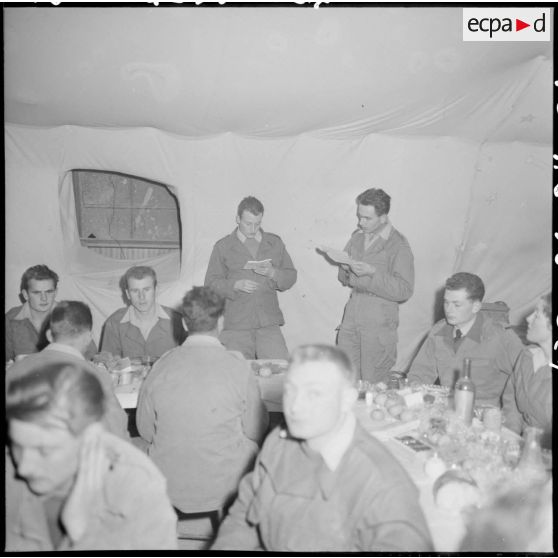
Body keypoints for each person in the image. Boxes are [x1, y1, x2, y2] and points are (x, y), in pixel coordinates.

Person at [212, 344, 433, 552]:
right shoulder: (279, 442)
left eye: (313, 394)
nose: (296, 406)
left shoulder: (381, 483)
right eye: (290, 391)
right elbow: (244, 514)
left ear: (347, 399)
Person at [5, 362, 178, 550]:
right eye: (17, 446)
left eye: (43, 451)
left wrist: (82, 532)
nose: (23, 467)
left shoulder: (137, 486)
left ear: (91, 437)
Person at [136, 286, 269, 514]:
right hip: (223, 488)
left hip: (167, 484)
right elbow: (255, 430)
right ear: (221, 322)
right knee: (257, 445)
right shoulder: (237, 366)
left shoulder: (162, 364)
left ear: (185, 324)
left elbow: (145, 430)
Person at [6, 300, 128, 440]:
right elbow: (118, 434)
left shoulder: (14, 371)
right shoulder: (96, 376)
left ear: (49, 336)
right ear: (88, 338)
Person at [407, 272, 524, 408]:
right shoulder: (439, 331)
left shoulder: (500, 337)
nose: (448, 310)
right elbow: (421, 372)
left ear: (476, 307)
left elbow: (524, 380)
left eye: (457, 305)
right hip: (446, 410)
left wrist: (508, 419)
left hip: (482, 416)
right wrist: (414, 390)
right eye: (446, 302)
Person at [335, 188, 414, 384]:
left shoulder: (398, 245)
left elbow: (404, 290)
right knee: (345, 379)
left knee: (372, 385)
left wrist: (373, 273)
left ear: (383, 217)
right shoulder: (357, 237)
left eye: (367, 218)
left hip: (379, 321)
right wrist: (345, 268)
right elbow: (344, 278)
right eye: (359, 217)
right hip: (352, 315)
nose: (360, 223)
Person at [204, 196, 297, 359]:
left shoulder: (274, 243)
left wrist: (273, 273)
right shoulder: (223, 247)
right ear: (238, 219)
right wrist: (235, 285)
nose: (253, 229)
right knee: (235, 374)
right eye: (248, 223)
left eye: (257, 223)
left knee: (280, 371)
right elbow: (211, 284)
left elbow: (291, 276)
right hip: (236, 325)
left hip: (268, 323)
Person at [100, 265, 186, 359]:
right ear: (128, 294)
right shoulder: (114, 323)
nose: (141, 297)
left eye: (146, 290)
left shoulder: (178, 321)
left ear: (156, 290)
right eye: (135, 291)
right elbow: (106, 367)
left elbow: (188, 362)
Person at [504, 293, 552, 437]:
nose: (528, 318)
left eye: (537, 315)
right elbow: (511, 401)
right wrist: (510, 434)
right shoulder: (527, 356)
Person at [5, 264, 59, 361]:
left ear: (55, 292)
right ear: (25, 295)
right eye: (37, 293)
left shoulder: (71, 315)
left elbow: (91, 357)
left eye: (49, 292)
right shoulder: (11, 318)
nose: (44, 298)